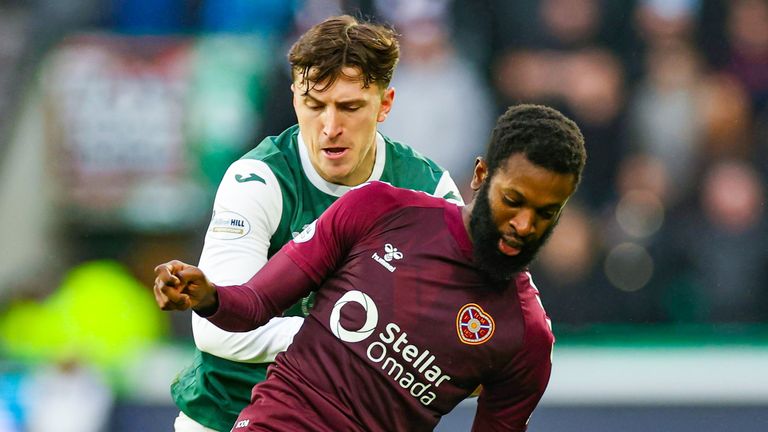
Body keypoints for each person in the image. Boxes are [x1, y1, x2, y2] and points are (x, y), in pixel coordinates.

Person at [154, 104, 587, 431]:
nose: (524, 225)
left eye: (546, 213)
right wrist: (209, 296)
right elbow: (255, 304)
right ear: (480, 175)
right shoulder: (379, 209)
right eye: (512, 200)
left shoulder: (526, 336)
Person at [169, 15, 464, 432]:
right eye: (314, 105)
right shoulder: (258, 179)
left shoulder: (429, 191)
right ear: (294, 100)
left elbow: (455, 332)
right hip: (229, 417)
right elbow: (217, 330)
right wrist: (358, 340)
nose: (330, 128)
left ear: (384, 104)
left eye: (349, 107)